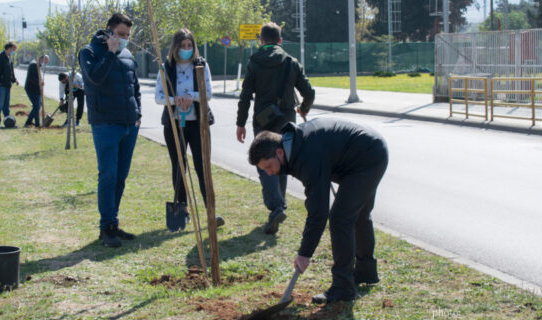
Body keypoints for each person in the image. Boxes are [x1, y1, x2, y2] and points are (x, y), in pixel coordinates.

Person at [247, 118, 389, 304]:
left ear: (279, 152)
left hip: (368, 157)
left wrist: (304, 253)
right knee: (358, 215)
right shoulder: (295, 145)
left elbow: (318, 211)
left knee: (340, 218)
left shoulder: (306, 157)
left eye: (268, 167)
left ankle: (343, 288)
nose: (269, 173)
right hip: (367, 149)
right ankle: (365, 272)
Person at [236, 22, 315, 234]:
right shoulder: (291, 62)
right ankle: (279, 204)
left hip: (262, 121)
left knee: (265, 164)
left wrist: (240, 123)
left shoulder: (254, 62)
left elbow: (245, 96)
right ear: (280, 41)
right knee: (283, 160)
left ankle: (276, 206)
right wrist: (304, 109)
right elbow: (310, 92)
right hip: (287, 120)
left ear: (261, 41)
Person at [79, 13, 141, 248]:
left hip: (129, 125)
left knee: (121, 178)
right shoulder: (90, 52)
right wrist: (111, 52)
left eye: (127, 35)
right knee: (108, 176)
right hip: (105, 124)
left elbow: (133, 86)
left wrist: (138, 115)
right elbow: (94, 78)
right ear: (109, 31)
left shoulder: (127, 54)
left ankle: (114, 223)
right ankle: (106, 228)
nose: (124, 39)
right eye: (121, 34)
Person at [155, 28, 224, 228]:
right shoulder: (166, 67)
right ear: (175, 47)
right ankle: (181, 211)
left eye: (189, 45)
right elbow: (159, 97)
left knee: (203, 168)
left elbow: (208, 93)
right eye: (182, 46)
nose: (186, 49)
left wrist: (190, 97)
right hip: (175, 124)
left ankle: (211, 212)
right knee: (179, 167)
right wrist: (175, 100)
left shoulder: (201, 65)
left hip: (199, 123)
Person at [0, 42, 19, 128]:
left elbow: (11, 71)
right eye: (13, 49)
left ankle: (8, 121)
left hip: (7, 85)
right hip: (0, 85)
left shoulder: (9, 58)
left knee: (6, 106)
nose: (13, 51)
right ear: (8, 48)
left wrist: (14, 80)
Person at [24, 55, 49, 127]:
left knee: (38, 105)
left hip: (37, 89)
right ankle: (37, 124)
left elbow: (38, 77)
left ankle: (29, 121)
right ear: (41, 58)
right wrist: (39, 82)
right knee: (36, 105)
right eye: (45, 61)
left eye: (46, 63)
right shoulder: (33, 65)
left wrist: (41, 82)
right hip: (31, 88)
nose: (45, 63)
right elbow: (31, 77)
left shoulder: (38, 66)